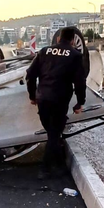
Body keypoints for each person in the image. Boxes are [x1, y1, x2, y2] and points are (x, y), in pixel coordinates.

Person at [26, 27, 86, 179]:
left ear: (58, 38)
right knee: (54, 134)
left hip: (43, 99)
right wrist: (80, 102)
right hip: (59, 100)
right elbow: (80, 82)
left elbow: (30, 75)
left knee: (53, 132)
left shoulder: (44, 51)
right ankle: (45, 169)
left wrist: (32, 95)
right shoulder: (75, 55)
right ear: (73, 40)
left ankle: (59, 165)